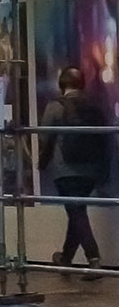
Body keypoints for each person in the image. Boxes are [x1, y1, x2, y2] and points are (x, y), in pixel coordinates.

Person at [40, 65, 111, 271]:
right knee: (76, 212)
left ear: (61, 85)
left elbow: (45, 137)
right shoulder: (95, 107)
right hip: (92, 170)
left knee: (76, 212)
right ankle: (66, 257)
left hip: (66, 170)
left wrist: (42, 163)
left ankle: (93, 259)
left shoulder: (55, 106)